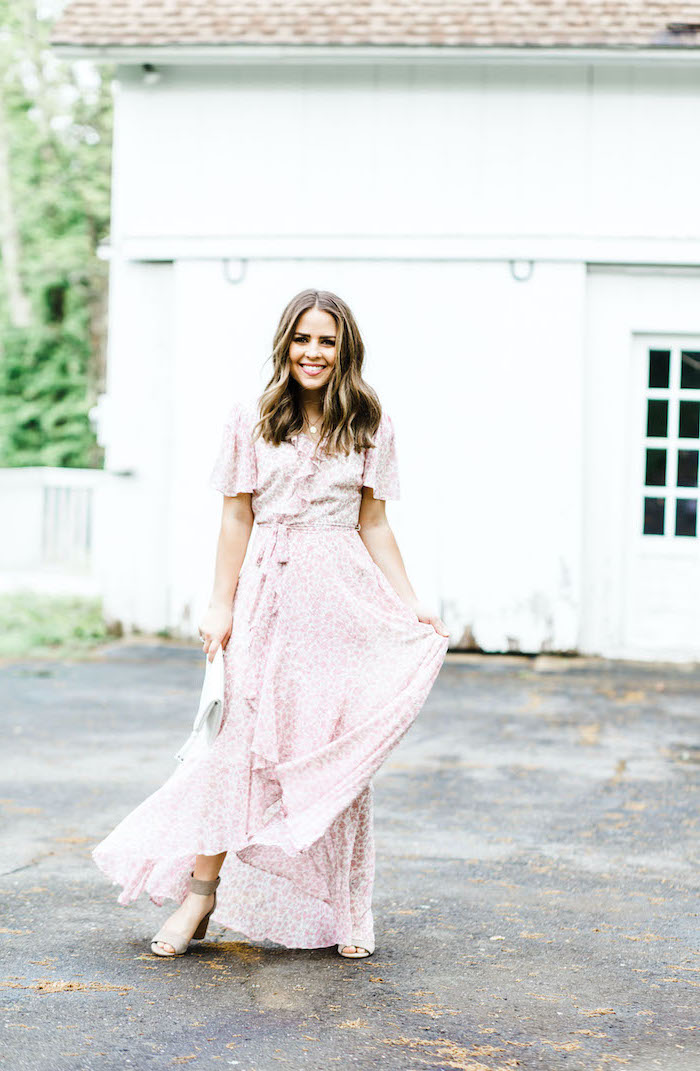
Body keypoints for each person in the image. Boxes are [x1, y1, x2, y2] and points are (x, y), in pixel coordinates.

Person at [92, 288, 450, 960]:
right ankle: (200, 894)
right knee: (234, 748)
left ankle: (345, 909)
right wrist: (220, 603)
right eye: (302, 339)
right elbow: (236, 516)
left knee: (325, 750)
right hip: (267, 599)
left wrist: (410, 603)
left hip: (340, 601)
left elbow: (374, 522)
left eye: (327, 341)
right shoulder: (252, 418)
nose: (313, 352)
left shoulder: (371, 422)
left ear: (345, 349)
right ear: (285, 344)